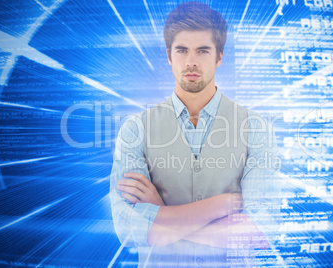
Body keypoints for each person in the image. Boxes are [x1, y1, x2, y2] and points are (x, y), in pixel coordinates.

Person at [110, 2, 281, 267]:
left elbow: (259, 230)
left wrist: (161, 214)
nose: (191, 61)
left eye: (202, 50)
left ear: (219, 56)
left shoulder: (256, 127)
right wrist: (221, 206)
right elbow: (129, 230)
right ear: (168, 55)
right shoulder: (136, 129)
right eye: (182, 50)